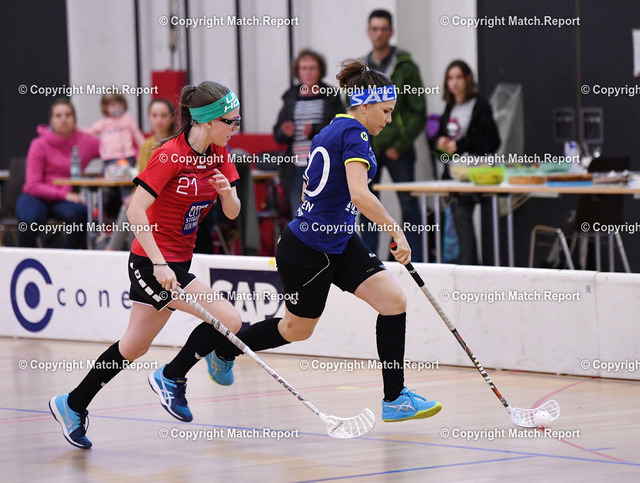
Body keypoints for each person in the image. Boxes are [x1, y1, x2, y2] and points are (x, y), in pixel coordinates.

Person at [206, 59, 442, 424]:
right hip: (309, 250)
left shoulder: (332, 128)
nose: (389, 119)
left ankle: (395, 398)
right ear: (365, 105)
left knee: (393, 302)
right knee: (295, 330)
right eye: (385, 111)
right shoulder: (355, 134)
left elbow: (311, 190)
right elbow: (360, 194)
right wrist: (396, 230)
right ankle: (224, 348)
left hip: (339, 241)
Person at [49, 81, 244, 449]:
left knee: (133, 346)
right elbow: (135, 210)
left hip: (178, 260)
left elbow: (233, 213)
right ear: (207, 122)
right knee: (229, 319)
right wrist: (159, 264)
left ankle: (72, 404)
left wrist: (226, 194)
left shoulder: (220, 154)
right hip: (151, 262)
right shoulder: (169, 155)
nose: (236, 127)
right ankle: (172, 376)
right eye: (231, 121)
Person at [360, 9, 426, 261]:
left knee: (409, 206)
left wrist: (400, 144)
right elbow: (352, 107)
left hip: (399, 149)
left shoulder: (406, 67)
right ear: (368, 32)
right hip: (368, 148)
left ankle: (414, 259)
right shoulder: (361, 69)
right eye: (374, 29)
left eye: (383, 29)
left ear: (391, 32)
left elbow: (418, 111)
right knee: (366, 205)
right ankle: (367, 261)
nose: (379, 34)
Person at [435, 60, 500, 265]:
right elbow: (446, 141)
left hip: (476, 174)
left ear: (468, 79)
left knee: (463, 224)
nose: (454, 83)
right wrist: (442, 143)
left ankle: (470, 270)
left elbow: (492, 141)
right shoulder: (449, 108)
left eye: (458, 77)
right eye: (450, 78)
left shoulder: (480, 106)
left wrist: (461, 145)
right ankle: (470, 268)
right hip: (455, 174)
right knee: (461, 227)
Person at [16, 98, 100, 248]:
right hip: (37, 196)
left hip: (64, 199)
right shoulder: (39, 144)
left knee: (80, 213)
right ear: (51, 120)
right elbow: (33, 185)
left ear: (75, 119)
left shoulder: (85, 142)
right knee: (30, 219)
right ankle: (26, 257)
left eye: (68, 115)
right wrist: (64, 195)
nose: (63, 119)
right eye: (58, 115)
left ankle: (66, 257)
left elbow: (112, 148)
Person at [274, 49, 344, 216]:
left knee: (326, 213)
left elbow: (340, 129)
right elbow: (277, 133)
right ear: (297, 71)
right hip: (297, 166)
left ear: (320, 70)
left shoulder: (331, 96)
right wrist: (285, 132)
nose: (308, 73)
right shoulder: (290, 97)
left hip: (324, 164)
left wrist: (315, 130)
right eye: (303, 68)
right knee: (300, 214)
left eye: (312, 68)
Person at [107, 98, 176, 251]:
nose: (159, 120)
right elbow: (143, 177)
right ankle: (130, 251)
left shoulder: (177, 143)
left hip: (167, 195)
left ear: (172, 118)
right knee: (131, 207)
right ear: (149, 118)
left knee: (132, 208)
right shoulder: (146, 145)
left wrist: (137, 197)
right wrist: (135, 195)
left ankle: (115, 250)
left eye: (164, 115)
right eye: (155, 115)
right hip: (149, 194)